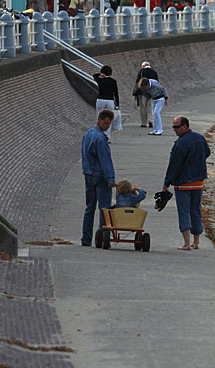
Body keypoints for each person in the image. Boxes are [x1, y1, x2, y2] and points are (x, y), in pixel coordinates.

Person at [162, 116, 211, 250]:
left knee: (184, 211)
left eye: (176, 127)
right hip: (198, 181)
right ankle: (196, 242)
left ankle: (186, 243)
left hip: (183, 183)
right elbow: (207, 152)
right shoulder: (199, 138)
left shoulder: (181, 143)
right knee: (195, 210)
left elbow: (174, 165)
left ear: (184, 126)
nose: (174, 130)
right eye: (173, 127)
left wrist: (166, 183)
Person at [81, 109, 117, 247]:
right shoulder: (100, 139)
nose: (107, 126)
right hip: (100, 176)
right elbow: (105, 160)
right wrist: (111, 179)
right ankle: (102, 238)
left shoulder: (88, 133)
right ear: (99, 120)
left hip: (88, 174)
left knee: (89, 207)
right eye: (106, 123)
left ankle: (86, 238)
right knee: (104, 208)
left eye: (109, 124)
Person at [93, 65, 119, 139]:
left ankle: (98, 135)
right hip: (110, 101)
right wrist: (117, 104)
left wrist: (100, 74)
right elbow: (116, 93)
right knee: (109, 118)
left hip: (100, 99)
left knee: (99, 117)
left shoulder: (100, 80)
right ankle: (107, 136)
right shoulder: (113, 81)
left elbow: (94, 75)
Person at [134, 61, 158, 129]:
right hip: (151, 92)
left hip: (143, 92)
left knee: (143, 107)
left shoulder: (141, 71)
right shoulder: (154, 72)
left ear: (143, 66)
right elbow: (157, 82)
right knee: (150, 107)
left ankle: (144, 123)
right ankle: (151, 120)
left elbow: (137, 82)